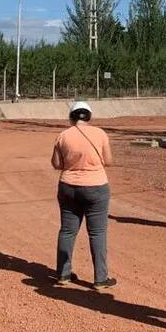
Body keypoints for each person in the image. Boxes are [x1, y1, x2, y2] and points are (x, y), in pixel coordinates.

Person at [51, 101, 115, 289]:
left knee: (67, 231)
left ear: (72, 117)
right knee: (97, 233)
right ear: (89, 117)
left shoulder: (63, 135)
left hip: (68, 186)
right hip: (96, 187)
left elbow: (56, 163)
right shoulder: (100, 134)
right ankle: (100, 279)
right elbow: (109, 161)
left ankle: (63, 275)